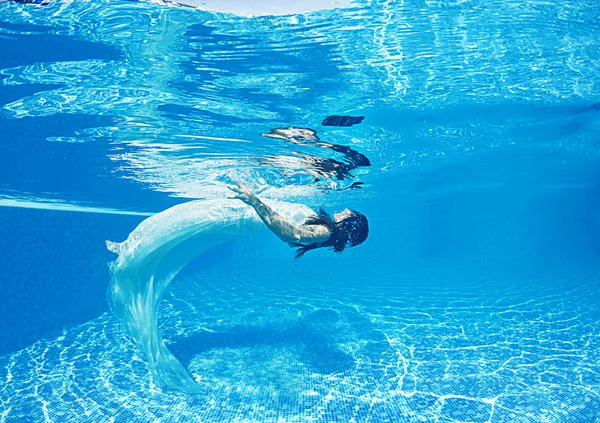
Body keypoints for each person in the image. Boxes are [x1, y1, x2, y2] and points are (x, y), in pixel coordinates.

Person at [229, 181, 369, 258]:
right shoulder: (325, 234)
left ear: (349, 223)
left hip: (248, 211)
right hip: (255, 213)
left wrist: (255, 201)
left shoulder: (324, 232)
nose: (346, 210)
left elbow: (290, 235)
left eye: (351, 214)